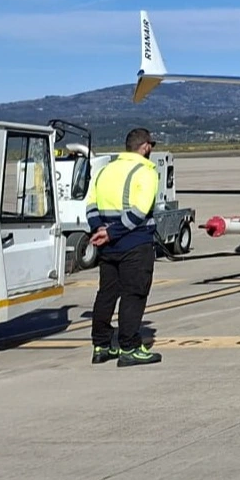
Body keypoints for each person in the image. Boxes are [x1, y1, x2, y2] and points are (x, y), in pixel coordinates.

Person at [86, 128, 162, 366]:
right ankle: (129, 347)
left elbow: (90, 205)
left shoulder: (104, 170)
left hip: (107, 246)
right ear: (145, 147)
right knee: (134, 294)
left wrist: (101, 230)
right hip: (134, 244)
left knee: (106, 294)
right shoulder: (146, 172)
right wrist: (112, 232)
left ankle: (101, 346)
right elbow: (140, 211)